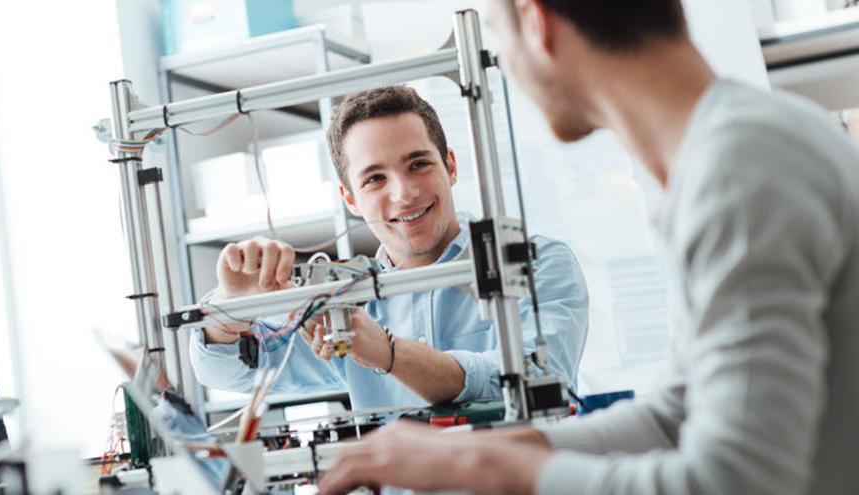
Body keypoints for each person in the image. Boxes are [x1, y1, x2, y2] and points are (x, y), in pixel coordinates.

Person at [318, 1, 859, 494]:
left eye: (500, 44)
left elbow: (735, 479)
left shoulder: (738, 171)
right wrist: (476, 448)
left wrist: (483, 468)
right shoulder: (729, 148)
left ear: (538, 23)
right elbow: (674, 413)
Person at [190, 85, 589, 411]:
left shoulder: (535, 264)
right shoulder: (347, 303)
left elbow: (536, 381)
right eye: (375, 179)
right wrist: (232, 309)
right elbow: (228, 372)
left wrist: (387, 351)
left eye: (418, 164)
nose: (404, 193)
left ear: (450, 166)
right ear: (350, 199)